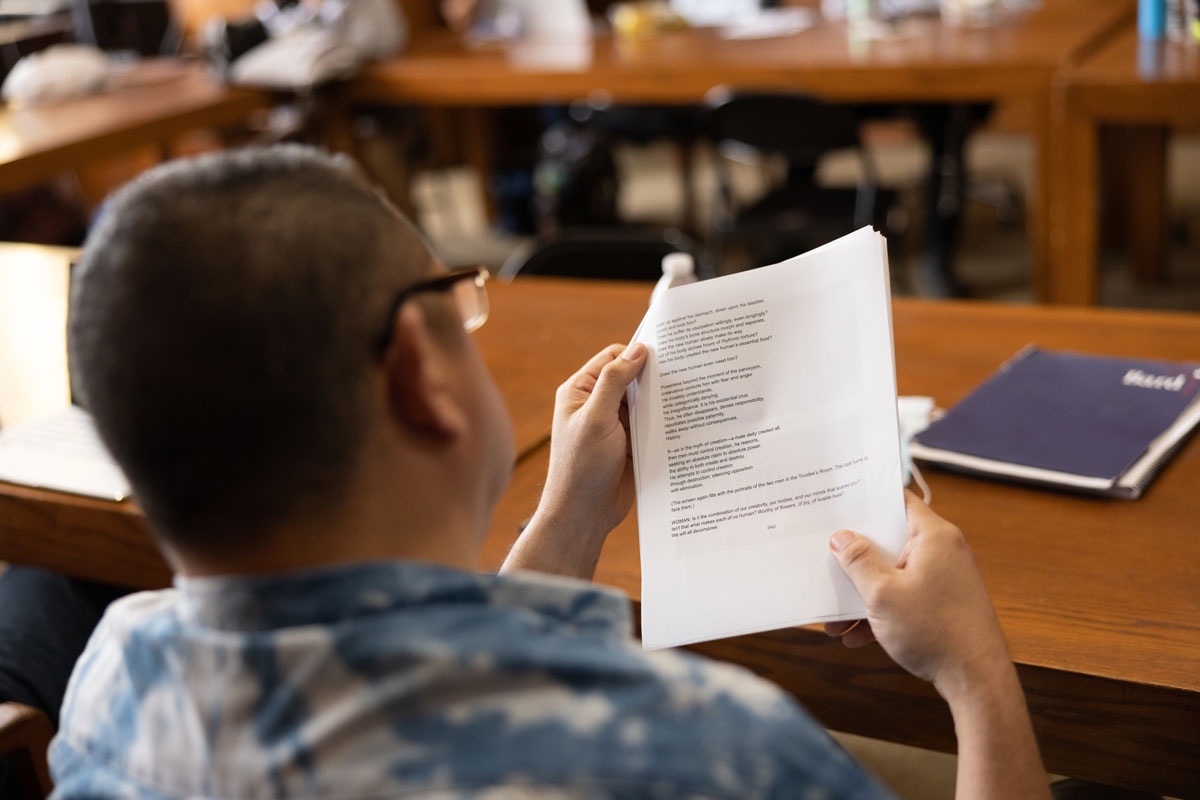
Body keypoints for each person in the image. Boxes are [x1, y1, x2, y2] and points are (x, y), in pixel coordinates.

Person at [52, 144, 1050, 798]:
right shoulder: (701, 750)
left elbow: (430, 671)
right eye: (458, 293)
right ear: (417, 373)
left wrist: (569, 519)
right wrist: (975, 672)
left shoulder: (113, 679)